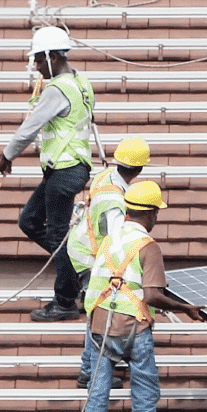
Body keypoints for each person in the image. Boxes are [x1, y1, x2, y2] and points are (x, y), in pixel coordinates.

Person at [74, 181, 205, 412]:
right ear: (150, 214)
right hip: (135, 330)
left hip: (100, 329)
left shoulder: (108, 242)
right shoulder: (149, 246)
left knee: (97, 397)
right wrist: (187, 309)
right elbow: (153, 296)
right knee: (145, 396)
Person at [0, 25, 95, 322]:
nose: (37, 67)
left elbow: (30, 127)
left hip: (65, 170)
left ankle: (65, 301)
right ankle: (80, 270)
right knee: (30, 221)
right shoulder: (81, 82)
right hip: (68, 169)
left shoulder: (56, 89)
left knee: (57, 235)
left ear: (53, 56)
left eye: (39, 60)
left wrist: (7, 155)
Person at [67, 136, 151, 389]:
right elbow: (117, 242)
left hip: (83, 246)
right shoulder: (115, 203)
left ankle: (92, 366)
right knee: (97, 309)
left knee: (97, 308)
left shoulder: (106, 176)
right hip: (90, 256)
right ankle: (89, 370)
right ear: (139, 169)